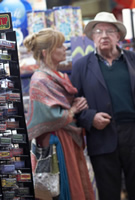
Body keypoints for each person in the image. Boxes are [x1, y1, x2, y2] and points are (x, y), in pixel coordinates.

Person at [71, 12, 135, 200]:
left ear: (118, 36)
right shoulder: (81, 66)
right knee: (108, 192)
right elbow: (74, 106)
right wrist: (90, 117)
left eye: (109, 31)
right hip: (102, 135)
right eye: (98, 31)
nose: (104, 35)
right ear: (92, 37)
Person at [24, 28, 95, 200]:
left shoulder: (59, 75)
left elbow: (63, 104)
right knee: (65, 186)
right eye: (60, 46)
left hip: (68, 138)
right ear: (45, 52)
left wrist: (75, 104)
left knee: (75, 182)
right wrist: (73, 110)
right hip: (57, 143)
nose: (65, 49)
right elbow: (50, 116)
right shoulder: (39, 80)